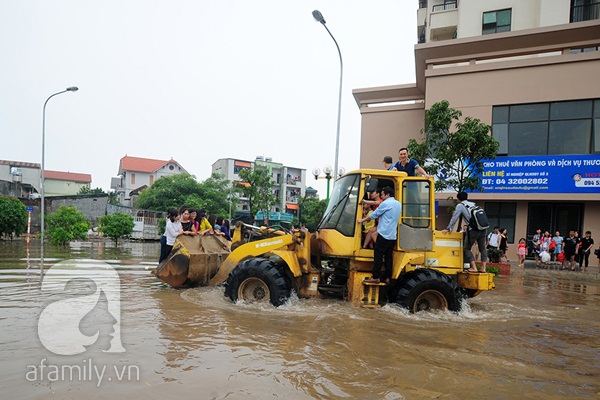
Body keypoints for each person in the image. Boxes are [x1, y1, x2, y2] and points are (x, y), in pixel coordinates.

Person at [357, 187, 401, 283]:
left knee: (378, 255)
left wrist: (362, 220)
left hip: (384, 233)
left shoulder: (385, 203)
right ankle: (387, 277)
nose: (381, 196)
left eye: (382, 194)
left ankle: (376, 276)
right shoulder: (398, 204)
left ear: (388, 195)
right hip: (392, 235)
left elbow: (374, 215)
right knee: (388, 258)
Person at [442, 191, 487, 273]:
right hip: (483, 228)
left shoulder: (460, 205)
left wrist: (449, 229)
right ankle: (483, 268)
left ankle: (474, 267)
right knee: (482, 248)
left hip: (473, 230)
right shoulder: (474, 204)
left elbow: (455, 217)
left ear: (458, 199)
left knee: (466, 248)